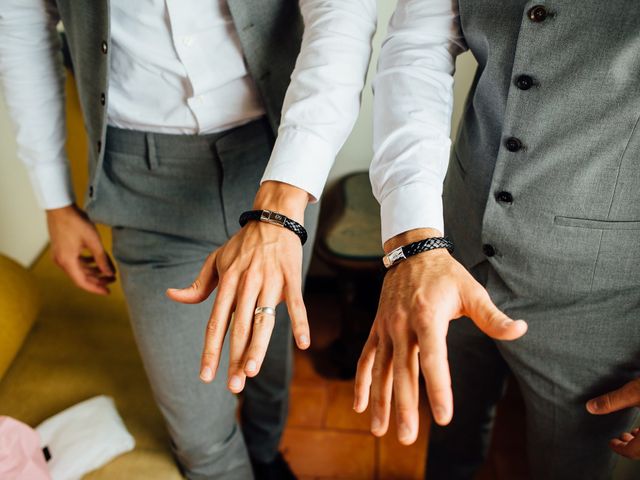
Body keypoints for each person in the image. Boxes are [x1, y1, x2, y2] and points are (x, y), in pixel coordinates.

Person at [0, 1, 376, 478]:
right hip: (144, 180)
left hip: (278, 154)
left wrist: (290, 185)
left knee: (272, 346)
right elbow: (21, 22)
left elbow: (342, 10)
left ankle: (266, 454)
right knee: (200, 436)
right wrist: (54, 199)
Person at [351, 1, 640, 479]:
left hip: (601, 301)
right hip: (454, 244)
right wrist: (416, 238)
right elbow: (419, 45)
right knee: (449, 424)